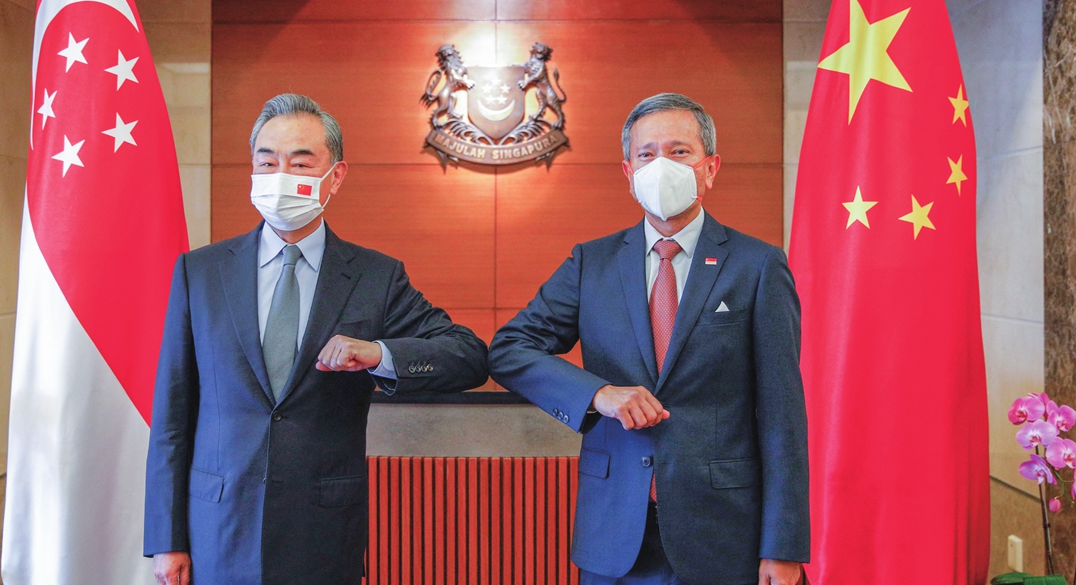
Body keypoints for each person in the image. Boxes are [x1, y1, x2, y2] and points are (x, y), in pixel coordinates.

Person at [144, 94, 489, 585]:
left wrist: (380, 354)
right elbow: (172, 415)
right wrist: (167, 538)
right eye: (267, 161)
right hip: (215, 527)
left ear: (336, 175)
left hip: (323, 530)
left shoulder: (375, 276)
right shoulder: (200, 272)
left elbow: (468, 355)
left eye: (300, 161)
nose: (281, 174)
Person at [488, 93, 809, 585]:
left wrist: (782, 547)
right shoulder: (590, 264)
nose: (662, 164)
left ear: (710, 167)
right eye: (647, 153)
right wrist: (598, 394)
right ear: (628, 172)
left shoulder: (758, 265)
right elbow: (510, 349)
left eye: (679, 152)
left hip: (724, 535)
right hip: (615, 534)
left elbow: (783, 415)